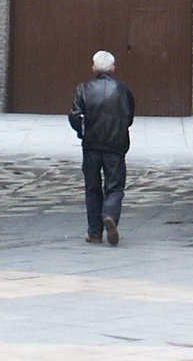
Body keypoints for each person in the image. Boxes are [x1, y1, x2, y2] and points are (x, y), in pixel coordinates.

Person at [68, 49, 135, 246]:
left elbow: (74, 115)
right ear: (113, 68)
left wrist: (82, 132)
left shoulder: (84, 88)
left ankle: (94, 232)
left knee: (92, 187)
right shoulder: (123, 90)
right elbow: (129, 117)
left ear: (94, 68)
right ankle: (110, 215)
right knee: (115, 186)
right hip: (115, 144)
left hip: (91, 145)